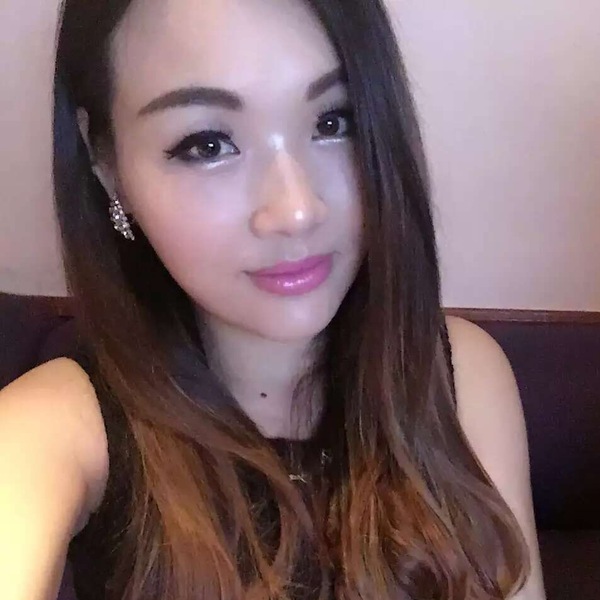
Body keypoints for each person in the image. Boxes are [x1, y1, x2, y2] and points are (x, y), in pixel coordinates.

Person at [0, 0, 546, 598]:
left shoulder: (459, 374)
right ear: (106, 164)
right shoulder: (50, 428)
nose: (297, 209)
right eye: (208, 144)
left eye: (334, 121)